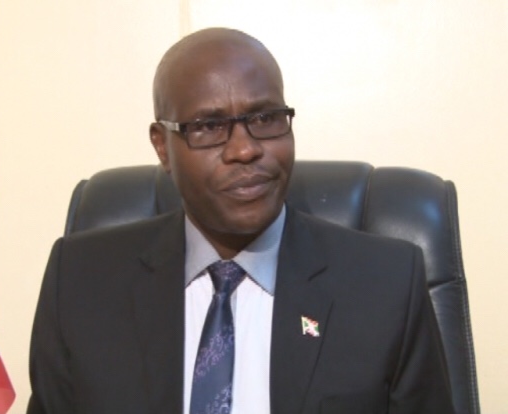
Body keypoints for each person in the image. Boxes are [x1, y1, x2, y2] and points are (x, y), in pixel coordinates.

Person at [27, 28, 455, 414]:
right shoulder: (81, 281)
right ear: (162, 146)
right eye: (209, 126)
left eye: (265, 118)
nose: (245, 150)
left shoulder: (385, 284)